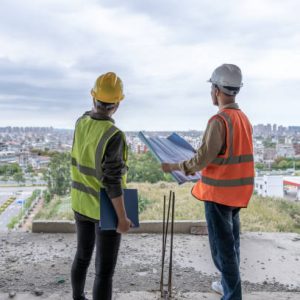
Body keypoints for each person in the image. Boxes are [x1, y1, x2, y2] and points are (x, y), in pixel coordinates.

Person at [162, 64, 254, 300]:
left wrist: (174, 166)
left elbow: (203, 159)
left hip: (218, 194)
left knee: (222, 250)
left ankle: (232, 295)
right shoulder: (243, 119)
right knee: (232, 245)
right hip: (236, 194)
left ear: (216, 90)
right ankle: (227, 286)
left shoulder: (219, 121)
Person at [70, 72, 132, 300]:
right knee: (104, 272)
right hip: (103, 209)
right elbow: (112, 182)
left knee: (82, 256)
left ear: (93, 98)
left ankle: (78, 298)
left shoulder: (80, 123)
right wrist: (123, 219)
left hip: (80, 203)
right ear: (116, 105)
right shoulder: (113, 135)